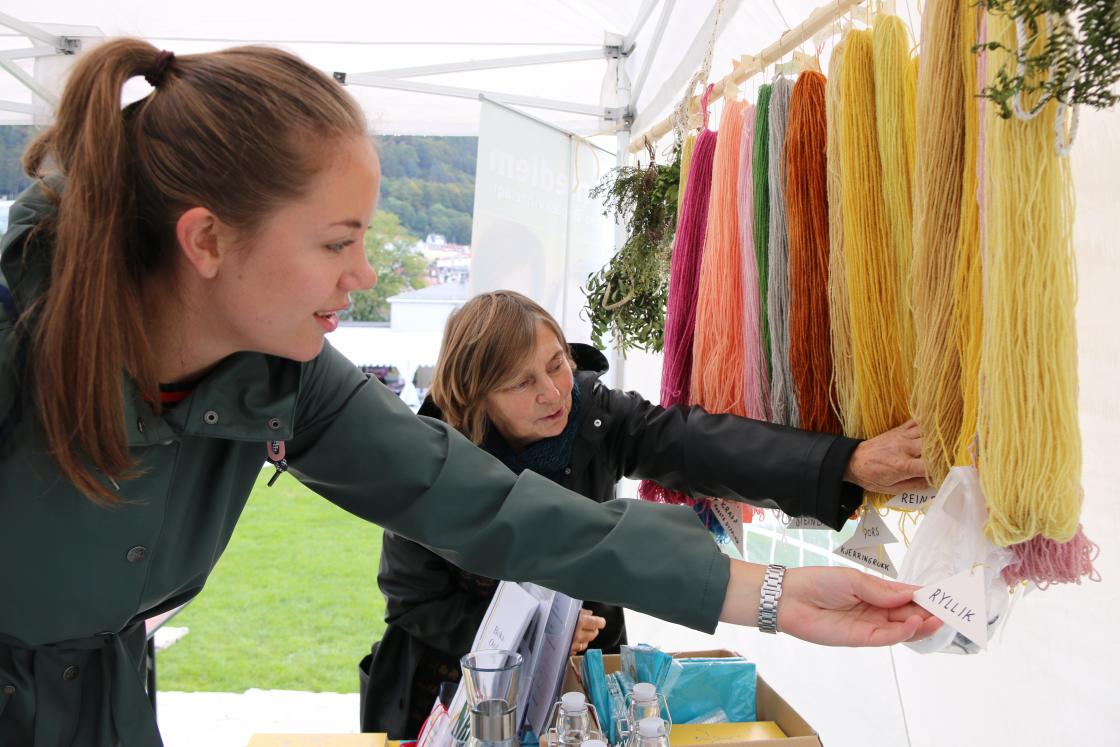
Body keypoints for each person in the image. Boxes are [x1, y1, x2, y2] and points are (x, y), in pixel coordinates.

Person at [0, 39, 939, 747]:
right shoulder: (21, 345)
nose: (363, 274)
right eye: (336, 243)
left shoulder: (285, 379)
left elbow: (495, 510)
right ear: (206, 242)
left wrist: (772, 593)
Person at [359, 291, 929, 737]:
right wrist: (527, 631)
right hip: (455, 695)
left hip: (585, 679)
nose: (554, 392)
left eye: (556, 364)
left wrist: (843, 463)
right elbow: (413, 600)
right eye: (522, 383)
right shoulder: (428, 462)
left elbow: (697, 444)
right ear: (476, 395)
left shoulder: (594, 414)